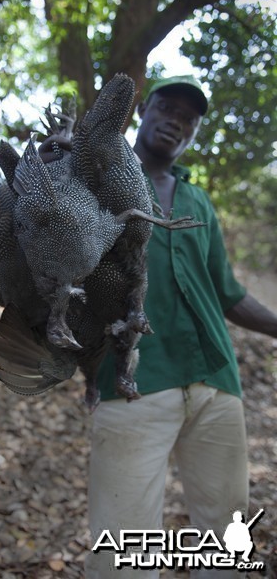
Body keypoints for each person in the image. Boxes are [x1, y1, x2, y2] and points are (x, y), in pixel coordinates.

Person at [40, 74, 277, 578]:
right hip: (134, 385)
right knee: (121, 549)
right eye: (167, 108)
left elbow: (228, 293)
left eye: (188, 119)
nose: (177, 121)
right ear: (143, 109)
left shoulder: (199, 201)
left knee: (228, 539)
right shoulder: (98, 178)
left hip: (216, 382)